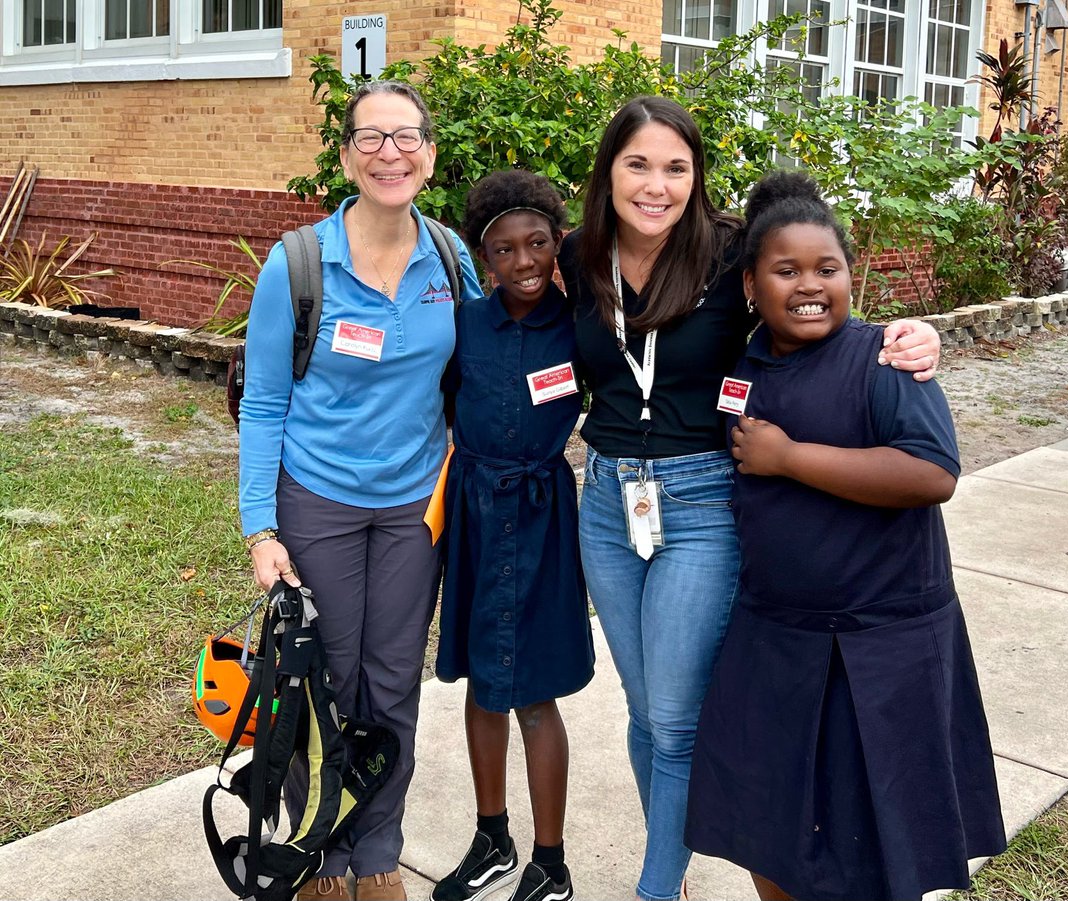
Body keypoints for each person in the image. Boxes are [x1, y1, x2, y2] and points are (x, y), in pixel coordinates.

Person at [556, 95, 945, 901]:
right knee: (642, 711)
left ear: (697, 178)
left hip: (701, 497)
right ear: (609, 172)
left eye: (675, 168)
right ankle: (674, 866)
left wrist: (904, 337)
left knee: (674, 718)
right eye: (638, 164)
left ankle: (654, 888)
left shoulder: (728, 254)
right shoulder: (577, 254)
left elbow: (807, 295)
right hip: (608, 498)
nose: (656, 185)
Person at [684, 170, 1007, 901]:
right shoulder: (743, 368)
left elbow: (931, 471)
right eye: (786, 269)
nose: (809, 284)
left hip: (880, 642)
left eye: (828, 269)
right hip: (776, 633)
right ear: (749, 286)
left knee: (878, 838)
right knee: (769, 823)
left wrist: (790, 458)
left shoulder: (884, 358)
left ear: (852, 277)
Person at [238, 81, 483, 901]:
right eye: (370, 139)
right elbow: (266, 399)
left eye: (406, 136)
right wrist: (259, 527)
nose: (390, 153)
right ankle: (319, 858)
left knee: (391, 683)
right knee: (322, 682)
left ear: (430, 155)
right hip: (319, 499)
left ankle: (376, 853)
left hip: (418, 506)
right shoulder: (300, 263)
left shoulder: (450, 259)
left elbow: (487, 365)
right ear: (345, 156)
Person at [432, 170, 594, 901]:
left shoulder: (584, 323)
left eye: (537, 243)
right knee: (481, 682)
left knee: (535, 691)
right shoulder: (465, 324)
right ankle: (492, 835)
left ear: (558, 243)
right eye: (505, 250)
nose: (524, 261)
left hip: (541, 516)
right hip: (474, 511)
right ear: (483, 257)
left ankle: (550, 862)